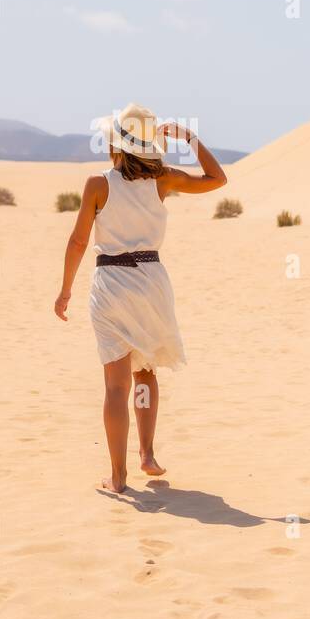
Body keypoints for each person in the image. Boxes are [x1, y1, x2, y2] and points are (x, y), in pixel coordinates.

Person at [54, 103, 227, 491]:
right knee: (145, 372)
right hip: (150, 282)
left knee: (116, 385)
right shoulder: (163, 180)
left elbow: (79, 240)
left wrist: (65, 289)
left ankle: (118, 477)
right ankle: (147, 454)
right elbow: (218, 179)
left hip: (112, 282)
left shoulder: (98, 185)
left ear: (116, 144)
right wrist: (190, 138)